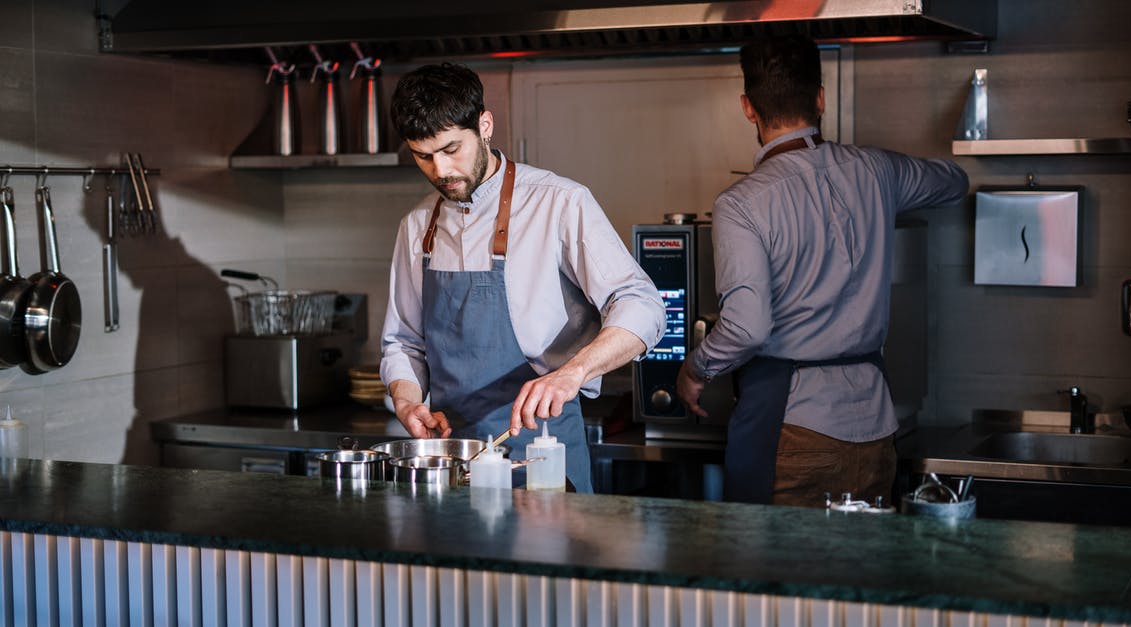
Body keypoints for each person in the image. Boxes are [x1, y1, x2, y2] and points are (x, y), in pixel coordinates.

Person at [676, 35, 968, 506]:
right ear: (820, 98)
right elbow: (954, 182)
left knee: (776, 577)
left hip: (793, 431)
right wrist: (887, 190)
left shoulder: (741, 204)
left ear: (748, 108)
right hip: (876, 430)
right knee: (858, 577)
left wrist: (695, 369)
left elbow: (748, 329)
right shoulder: (877, 171)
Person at [381, 63, 666, 493]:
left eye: (452, 149)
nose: (441, 171)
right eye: (424, 156)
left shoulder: (559, 203)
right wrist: (406, 400)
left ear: (485, 125)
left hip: (542, 450)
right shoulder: (416, 225)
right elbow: (403, 341)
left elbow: (642, 304)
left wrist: (571, 373)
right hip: (452, 460)